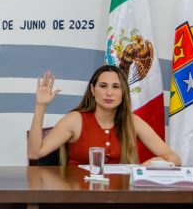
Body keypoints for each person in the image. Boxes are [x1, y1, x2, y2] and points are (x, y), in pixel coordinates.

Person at [27, 65, 181, 166]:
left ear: (123, 93)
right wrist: (40, 106)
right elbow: (34, 153)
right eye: (103, 86)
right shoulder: (75, 119)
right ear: (92, 90)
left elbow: (174, 158)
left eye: (116, 87)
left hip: (119, 198)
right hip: (78, 197)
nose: (109, 93)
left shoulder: (132, 121)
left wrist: (152, 164)